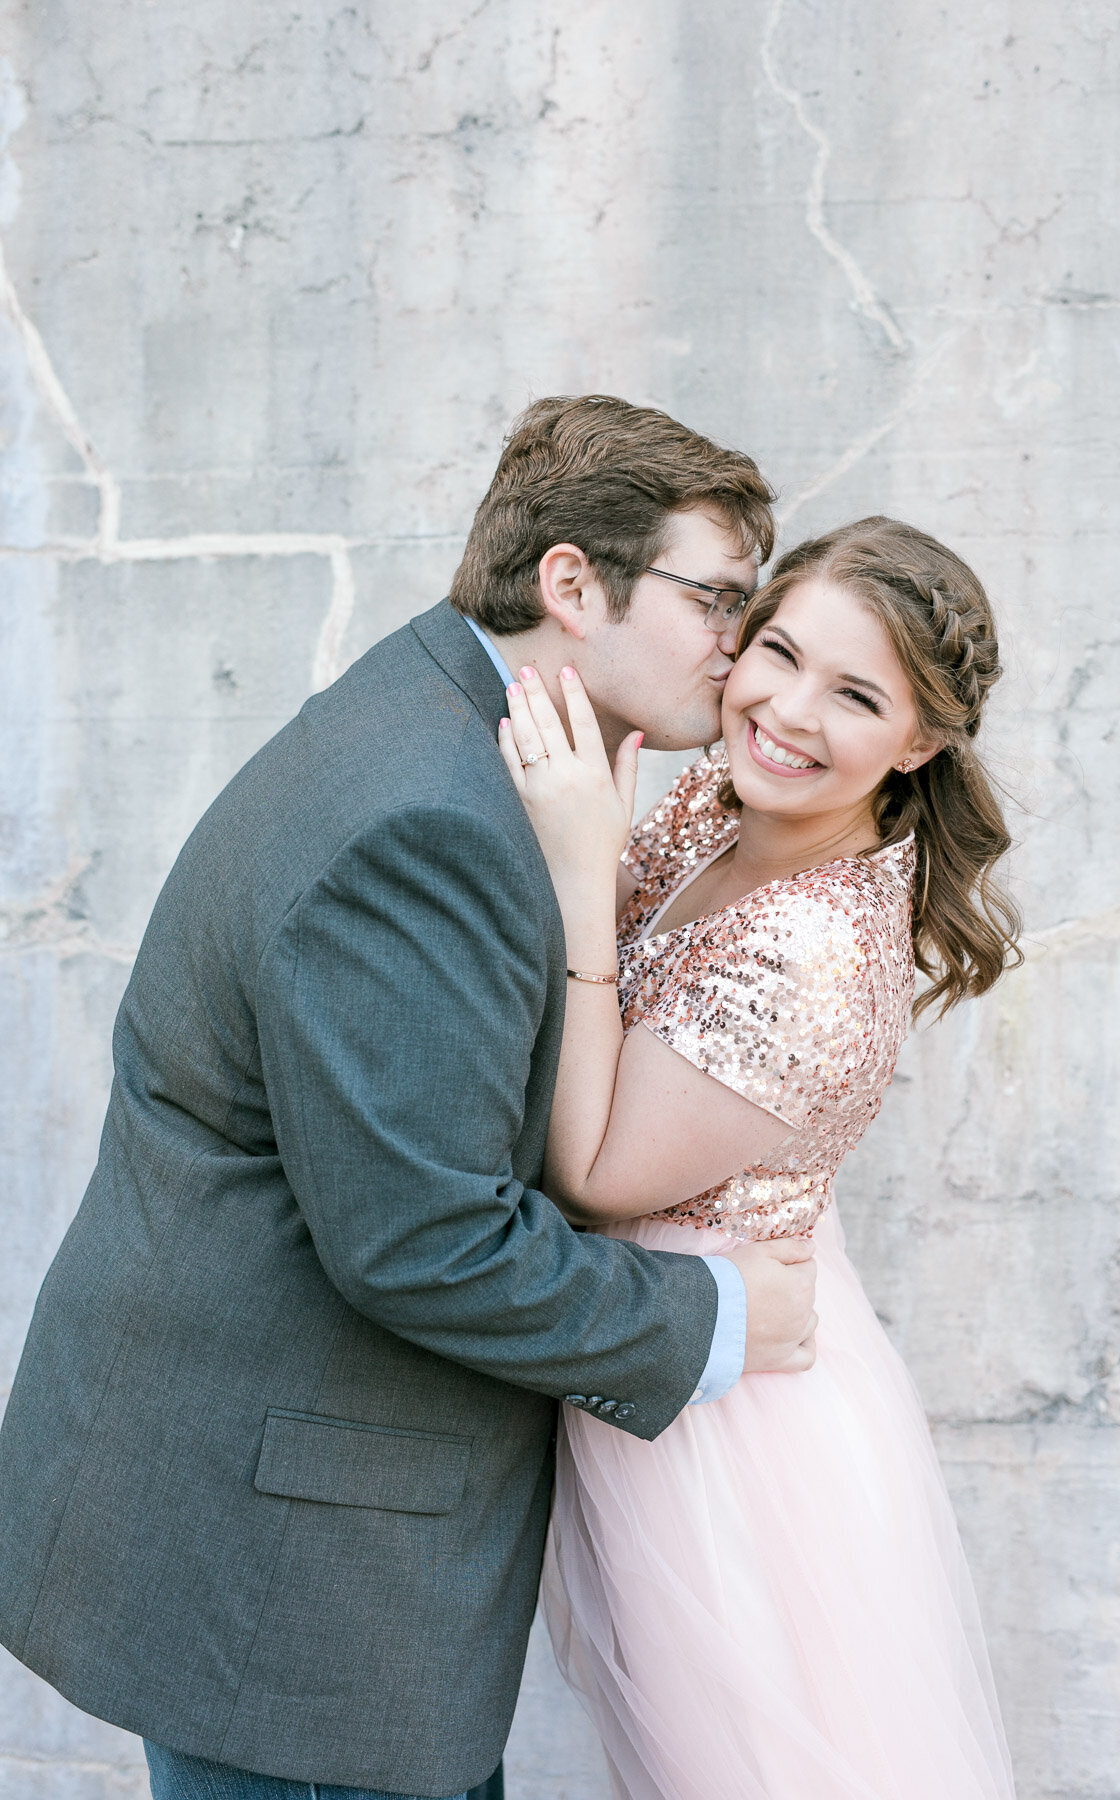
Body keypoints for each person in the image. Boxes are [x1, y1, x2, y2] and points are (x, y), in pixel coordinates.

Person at [0, 396, 823, 1800]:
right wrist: (728, 1313)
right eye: (718, 599)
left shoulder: (451, 726)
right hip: (294, 1577)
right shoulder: (431, 818)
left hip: (249, 1491)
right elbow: (424, 1243)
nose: (743, 649)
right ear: (573, 583)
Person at [498, 515, 1023, 1800]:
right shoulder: (717, 809)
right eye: (776, 651)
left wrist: (579, 870)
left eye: (854, 694)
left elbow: (601, 1171)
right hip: (662, 1353)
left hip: (740, 1428)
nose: (784, 711)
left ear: (923, 742)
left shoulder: (824, 953)